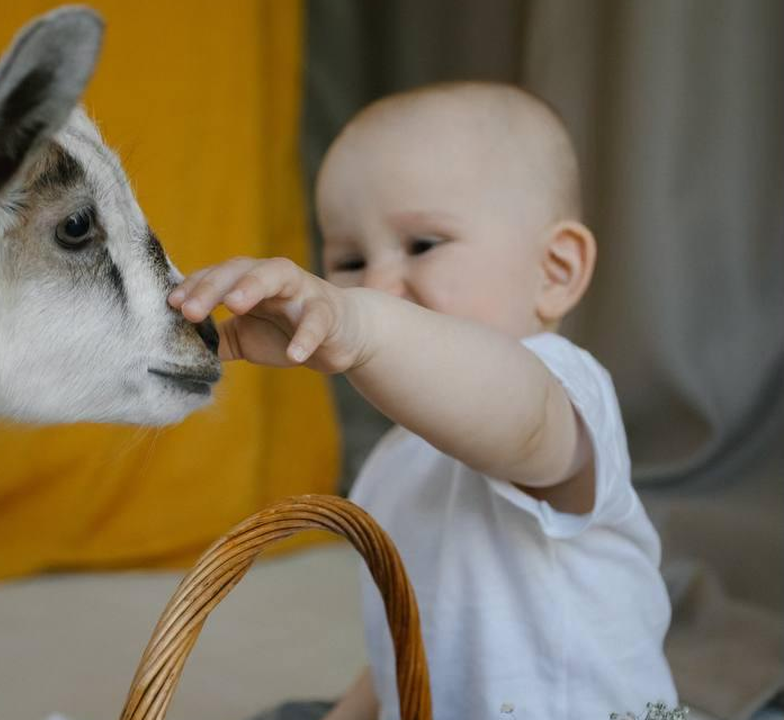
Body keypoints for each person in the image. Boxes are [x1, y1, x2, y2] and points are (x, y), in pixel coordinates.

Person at [168, 81, 677, 720]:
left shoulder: (559, 390)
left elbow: (518, 421)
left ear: (556, 271)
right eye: (349, 261)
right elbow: (409, 641)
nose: (379, 285)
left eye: (422, 245)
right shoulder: (394, 464)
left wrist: (363, 326)